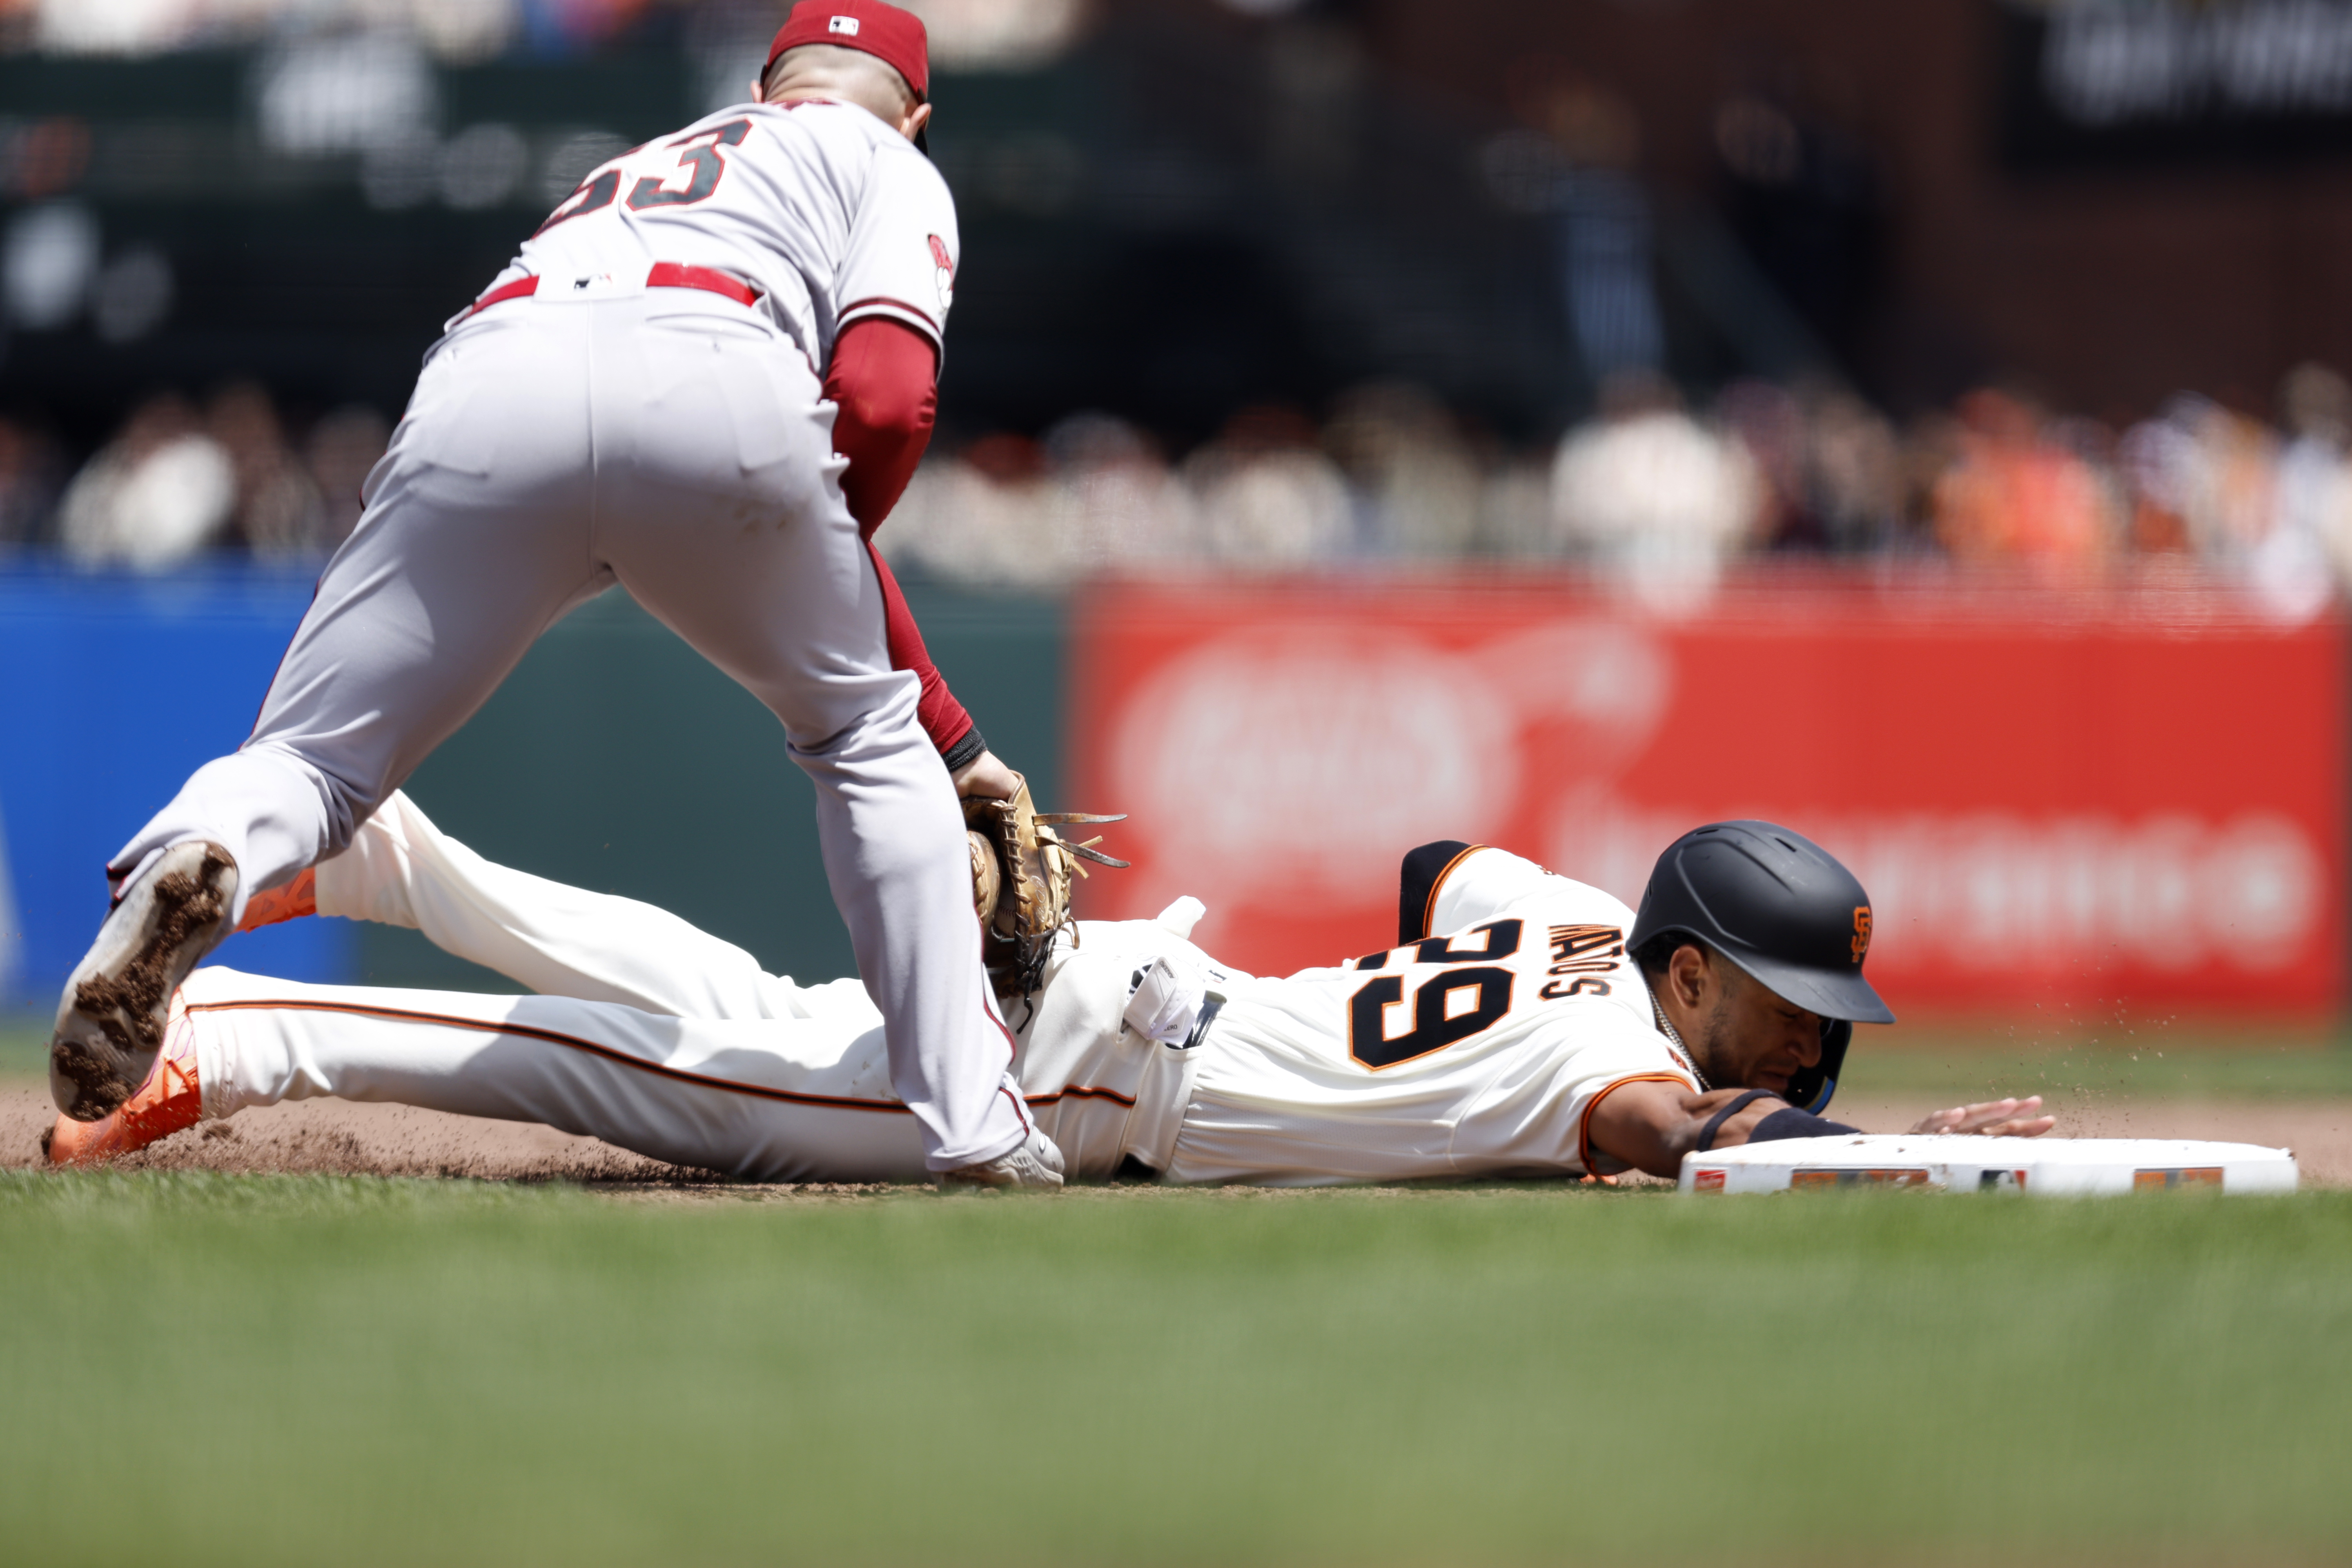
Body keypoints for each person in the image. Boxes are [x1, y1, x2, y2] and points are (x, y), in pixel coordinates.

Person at [45, 0, 1063, 1187]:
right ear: (921, 114)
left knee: (316, 764)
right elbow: (884, 399)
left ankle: (203, 846)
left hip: (492, 371)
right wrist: (886, 668)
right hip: (715, 367)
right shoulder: (886, 158)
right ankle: (977, 1131)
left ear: (768, 80)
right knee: (861, 737)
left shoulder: (644, 162)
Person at [47, 801, 2051, 1184]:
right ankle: (243, 1041)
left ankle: (394, 864)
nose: (1814, 1037)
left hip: (1140, 993)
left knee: (747, 1012)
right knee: (690, 1085)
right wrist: (1869, 1154)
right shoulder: (1630, 1053)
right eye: (1786, 1008)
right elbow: (1655, 1127)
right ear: (1696, 974)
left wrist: (1494, 963)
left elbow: (1448, 867)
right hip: (1098, 1082)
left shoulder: (1573, 919)